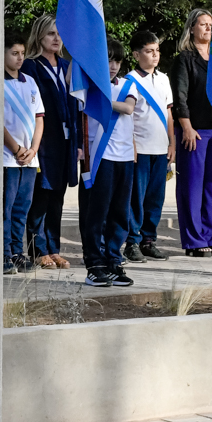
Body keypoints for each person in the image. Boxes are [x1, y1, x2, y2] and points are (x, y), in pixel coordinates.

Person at [78, 38, 138, 287]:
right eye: (108, 60)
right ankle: (95, 263)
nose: (113, 66)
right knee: (96, 212)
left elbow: (128, 108)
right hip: (100, 158)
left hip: (124, 157)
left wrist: (100, 102)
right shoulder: (88, 85)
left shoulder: (127, 84)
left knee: (120, 212)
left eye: (117, 61)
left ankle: (114, 259)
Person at [20, 14, 79, 269]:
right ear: (39, 37)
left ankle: (54, 248)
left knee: (57, 196)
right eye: (50, 34)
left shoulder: (67, 65)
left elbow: (75, 105)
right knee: (41, 195)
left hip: (66, 140)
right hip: (44, 140)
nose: (56, 39)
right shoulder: (31, 66)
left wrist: (78, 142)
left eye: (58, 34)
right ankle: (38, 249)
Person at [171, 9, 212, 256]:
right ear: (192, 28)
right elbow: (180, 96)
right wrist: (186, 126)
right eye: (202, 24)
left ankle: (210, 235)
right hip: (193, 131)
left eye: (210, 25)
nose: (207, 28)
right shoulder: (184, 59)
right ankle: (194, 240)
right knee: (192, 187)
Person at [122, 30, 174, 263]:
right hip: (140, 149)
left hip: (160, 148)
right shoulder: (130, 80)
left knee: (155, 198)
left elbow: (169, 112)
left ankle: (148, 240)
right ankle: (132, 241)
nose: (155, 55)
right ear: (136, 54)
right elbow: (129, 118)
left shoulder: (163, 79)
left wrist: (171, 142)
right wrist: (131, 145)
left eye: (157, 51)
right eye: (149, 51)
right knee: (136, 197)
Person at [2, 31, 45, 275]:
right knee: (6, 208)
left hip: (30, 157)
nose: (19, 58)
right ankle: (5, 254)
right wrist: (16, 148)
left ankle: (18, 252)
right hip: (8, 157)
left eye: (22, 54)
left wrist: (33, 148)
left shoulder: (29, 81)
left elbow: (40, 117)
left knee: (22, 208)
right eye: (14, 54)